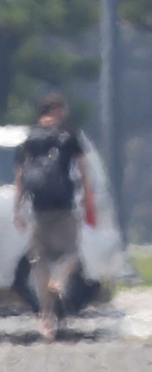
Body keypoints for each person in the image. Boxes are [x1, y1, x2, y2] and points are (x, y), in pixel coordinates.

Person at [12, 92, 96, 341]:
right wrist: (88, 199)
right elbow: (82, 169)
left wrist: (18, 209)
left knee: (39, 261)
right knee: (72, 252)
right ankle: (59, 280)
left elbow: (20, 177)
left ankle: (46, 319)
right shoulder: (68, 136)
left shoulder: (28, 139)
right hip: (64, 206)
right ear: (58, 110)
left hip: (38, 209)